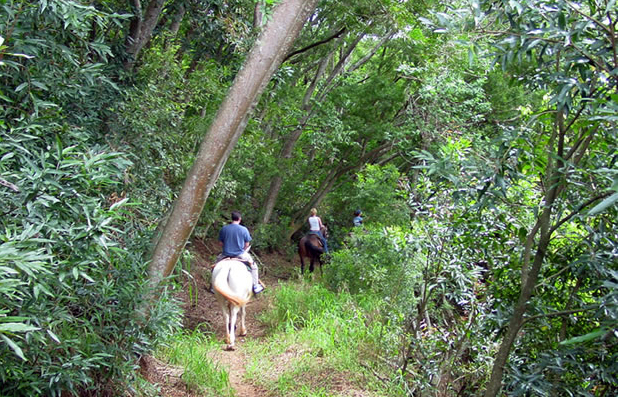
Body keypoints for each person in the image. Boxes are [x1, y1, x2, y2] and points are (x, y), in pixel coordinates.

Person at [216, 211, 264, 294]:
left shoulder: (224, 228)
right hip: (240, 254)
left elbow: (220, 243)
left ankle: (212, 286)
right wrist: (243, 248)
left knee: (215, 266)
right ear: (240, 219)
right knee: (254, 266)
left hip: (225, 254)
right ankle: (255, 286)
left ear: (232, 219)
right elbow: (247, 244)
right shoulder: (244, 229)